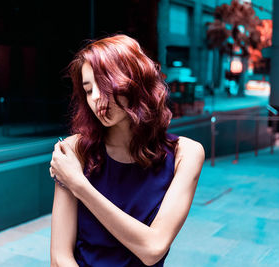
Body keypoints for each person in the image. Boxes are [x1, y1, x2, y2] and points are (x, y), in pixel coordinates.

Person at [49, 34, 205, 267]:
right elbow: (60, 258)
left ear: (134, 81)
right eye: (88, 90)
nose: (96, 98)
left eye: (104, 85)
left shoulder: (186, 153)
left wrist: (79, 185)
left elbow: (153, 248)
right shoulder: (75, 150)